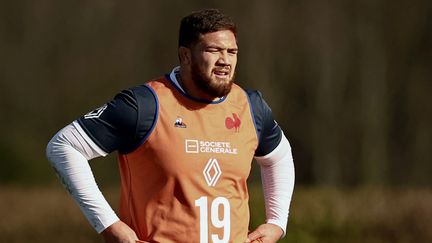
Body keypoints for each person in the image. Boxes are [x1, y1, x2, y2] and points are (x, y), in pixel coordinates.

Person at [46, 8, 295, 243]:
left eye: (232, 52)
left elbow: (280, 156)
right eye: (214, 50)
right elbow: (63, 146)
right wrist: (108, 224)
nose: (225, 60)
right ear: (186, 55)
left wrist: (277, 223)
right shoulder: (144, 105)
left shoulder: (251, 106)